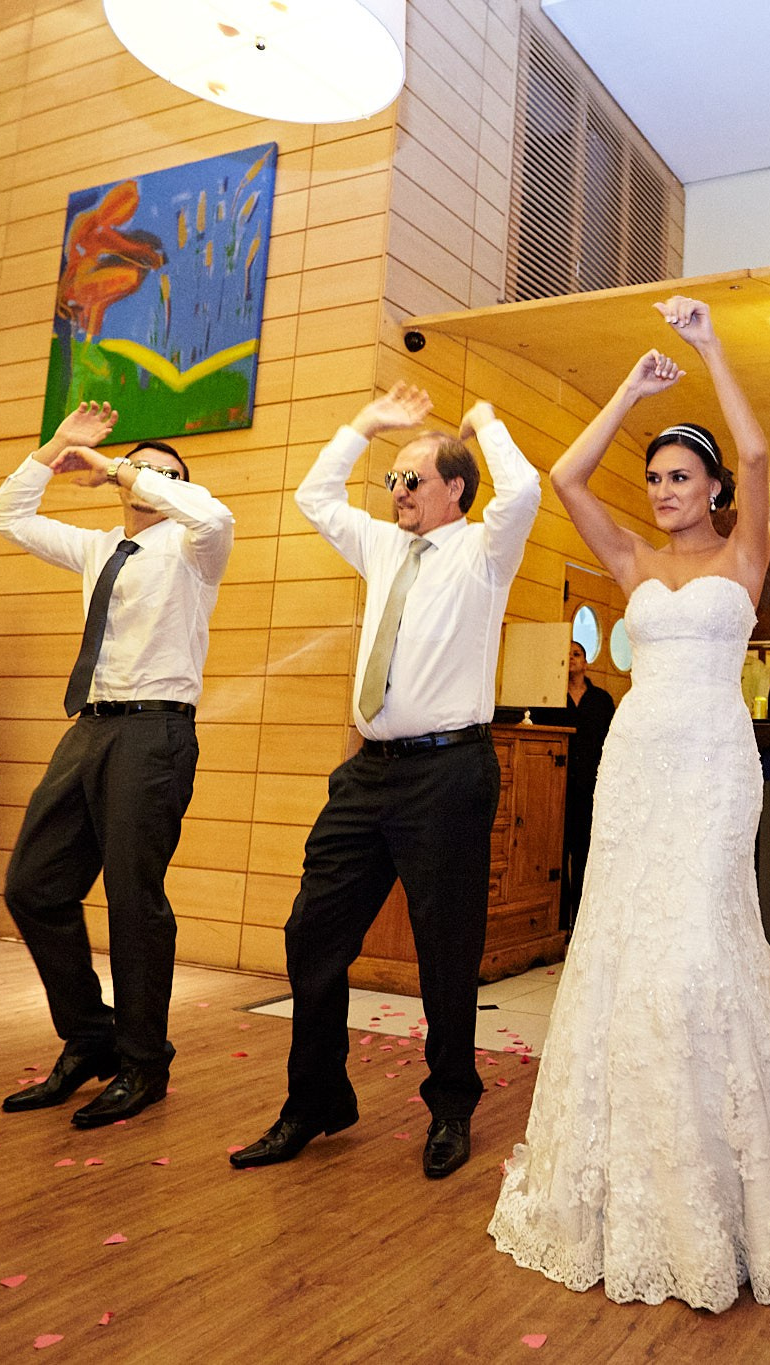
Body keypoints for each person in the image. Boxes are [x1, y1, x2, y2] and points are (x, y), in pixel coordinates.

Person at [489, 296, 770, 1311]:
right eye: (656, 478)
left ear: (712, 487)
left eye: (681, 476)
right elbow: (564, 477)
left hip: (713, 768)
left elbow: (757, 452)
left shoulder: (743, 556)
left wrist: (710, 346)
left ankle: (725, 1172)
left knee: (699, 952)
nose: (665, 491)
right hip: (635, 769)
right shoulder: (632, 560)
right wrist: (631, 388)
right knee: (624, 951)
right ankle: (635, 1166)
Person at [231, 382, 539, 1179]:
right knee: (312, 931)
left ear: (456, 489)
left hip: (449, 772)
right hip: (368, 772)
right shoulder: (380, 545)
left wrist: (486, 421)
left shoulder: (485, 552)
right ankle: (316, 1099)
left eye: (413, 479)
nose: (397, 490)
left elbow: (524, 490)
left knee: (446, 949)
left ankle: (451, 1105)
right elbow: (314, 495)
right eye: (394, 479)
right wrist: (366, 424)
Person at [0, 404, 233, 1130]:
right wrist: (56, 447)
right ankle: (91, 1035)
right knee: (33, 887)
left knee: (133, 901)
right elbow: (5, 515)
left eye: (167, 475)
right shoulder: (97, 547)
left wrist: (118, 466)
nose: (149, 480)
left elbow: (214, 514)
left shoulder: (195, 548)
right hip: (88, 729)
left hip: (155, 733)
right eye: (142, 469)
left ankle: (143, 1061)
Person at [534, 639, 613, 931]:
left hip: (591, 788)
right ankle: (557, 924)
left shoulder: (601, 700)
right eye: (566, 654)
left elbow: (611, 742)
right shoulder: (548, 699)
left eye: (576, 654)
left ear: (586, 662)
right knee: (556, 853)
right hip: (557, 788)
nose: (571, 658)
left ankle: (581, 923)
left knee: (585, 855)